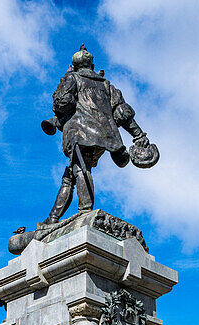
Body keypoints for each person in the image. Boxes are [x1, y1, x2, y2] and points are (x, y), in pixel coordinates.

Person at [40, 45, 154, 225]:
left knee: (79, 168)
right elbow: (122, 112)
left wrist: (62, 88)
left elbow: (62, 103)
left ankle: (85, 210)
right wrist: (138, 135)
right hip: (105, 136)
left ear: (75, 66)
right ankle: (52, 218)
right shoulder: (106, 84)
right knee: (71, 174)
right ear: (92, 65)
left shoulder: (72, 78)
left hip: (80, 133)